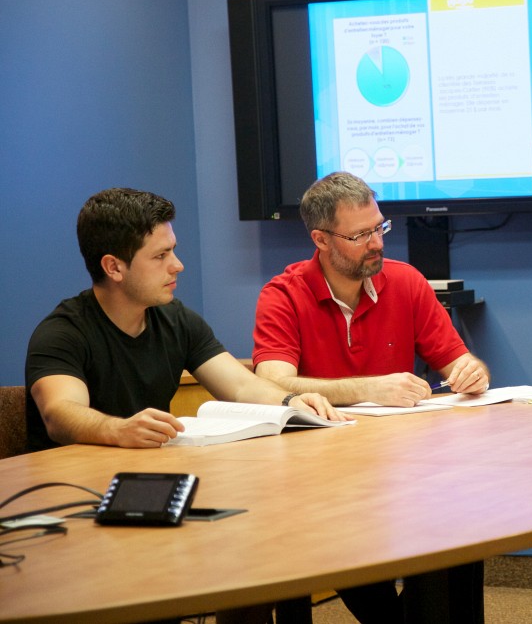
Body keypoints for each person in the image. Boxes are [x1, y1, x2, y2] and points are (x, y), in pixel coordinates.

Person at [250, 171, 490, 623]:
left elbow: (458, 361)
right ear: (321, 239)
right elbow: (272, 383)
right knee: (352, 541)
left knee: (459, 517)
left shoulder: (407, 281)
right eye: (360, 235)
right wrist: (367, 388)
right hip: (323, 477)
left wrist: (471, 372)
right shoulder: (283, 294)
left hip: (405, 466)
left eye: (380, 228)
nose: (377, 243)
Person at [25, 188, 348, 454]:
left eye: (173, 251)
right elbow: (60, 414)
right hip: (69, 483)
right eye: (160, 256)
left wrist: (292, 402)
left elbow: (240, 386)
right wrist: (118, 429)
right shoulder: (62, 333)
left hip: (145, 472)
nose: (177, 265)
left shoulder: (177, 320)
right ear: (114, 267)